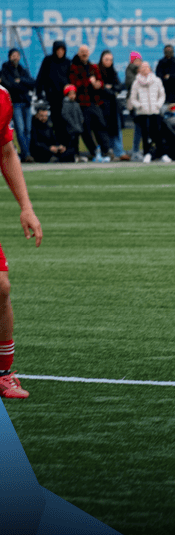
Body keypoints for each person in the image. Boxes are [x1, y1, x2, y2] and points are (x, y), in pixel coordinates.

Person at [0, 84, 43, 398]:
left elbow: (6, 151)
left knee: (1, 287)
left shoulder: (1, 98)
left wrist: (26, 207)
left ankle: (3, 373)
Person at [69, 44, 114, 161]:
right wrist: (88, 82)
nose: (84, 54)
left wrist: (98, 84)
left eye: (86, 52)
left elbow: (101, 83)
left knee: (101, 126)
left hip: (94, 102)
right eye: (82, 52)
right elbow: (75, 84)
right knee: (85, 130)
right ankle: (94, 151)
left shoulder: (93, 67)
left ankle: (106, 150)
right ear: (79, 53)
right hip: (82, 104)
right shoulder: (74, 67)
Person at [127, 61, 169, 163]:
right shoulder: (136, 83)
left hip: (155, 111)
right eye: (142, 67)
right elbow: (133, 98)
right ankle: (147, 154)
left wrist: (158, 105)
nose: (145, 69)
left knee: (158, 133)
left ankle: (162, 154)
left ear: (150, 69)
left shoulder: (157, 80)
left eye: (147, 67)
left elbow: (162, 95)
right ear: (139, 70)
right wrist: (139, 106)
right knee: (145, 134)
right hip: (143, 113)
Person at [1, 49, 36, 161]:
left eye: (17, 55)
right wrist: (22, 85)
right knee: (20, 129)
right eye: (13, 55)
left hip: (26, 102)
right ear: (9, 56)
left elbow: (32, 83)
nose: (15, 57)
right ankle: (26, 154)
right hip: (15, 103)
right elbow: (9, 86)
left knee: (28, 129)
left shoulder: (22, 70)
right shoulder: (5, 70)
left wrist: (20, 81)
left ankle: (27, 153)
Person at [34, 41, 71, 147]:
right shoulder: (48, 60)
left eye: (62, 50)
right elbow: (40, 77)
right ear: (55, 50)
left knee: (66, 123)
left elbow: (71, 79)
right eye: (58, 50)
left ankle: (66, 147)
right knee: (55, 123)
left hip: (65, 99)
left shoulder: (67, 62)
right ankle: (57, 145)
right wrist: (39, 93)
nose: (60, 52)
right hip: (52, 98)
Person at [97, 50, 131, 161]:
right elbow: (101, 88)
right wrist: (110, 89)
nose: (109, 62)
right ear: (102, 59)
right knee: (102, 129)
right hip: (101, 105)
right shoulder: (97, 71)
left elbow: (119, 86)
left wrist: (110, 88)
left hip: (112, 105)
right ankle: (104, 151)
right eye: (106, 59)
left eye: (111, 60)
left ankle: (119, 152)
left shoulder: (113, 72)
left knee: (116, 129)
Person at [124, 51, 145, 158]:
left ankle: (140, 149)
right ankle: (135, 150)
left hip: (144, 102)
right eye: (136, 60)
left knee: (143, 126)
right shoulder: (130, 70)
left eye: (140, 60)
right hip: (135, 103)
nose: (139, 62)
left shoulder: (142, 71)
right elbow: (132, 83)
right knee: (138, 126)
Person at [60, 85, 84, 156]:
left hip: (77, 127)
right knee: (71, 142)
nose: (72, 96)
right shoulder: (66, 104)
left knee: (76, 142)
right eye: (70, 94)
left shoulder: (76, 104)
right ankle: (72, 155)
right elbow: (65, 115)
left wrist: (81, 121)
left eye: (74, 94)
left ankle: (77, 154)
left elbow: (80, 114)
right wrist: (73, 124)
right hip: (70, 128)